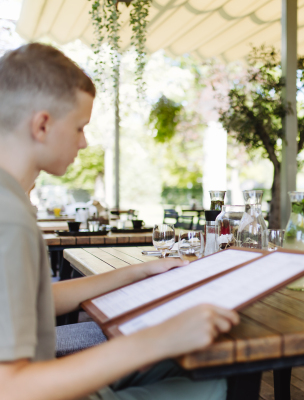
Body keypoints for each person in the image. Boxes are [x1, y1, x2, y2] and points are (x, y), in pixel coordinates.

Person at [0, 43, 239, 400]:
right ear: (43, 125)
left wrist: (138, 272)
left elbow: (35, 299)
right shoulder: (10, 219)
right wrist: (158, 338)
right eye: (80, 127)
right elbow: (10, 388)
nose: (84, 142)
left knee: (183, 363)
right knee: (215, 380)